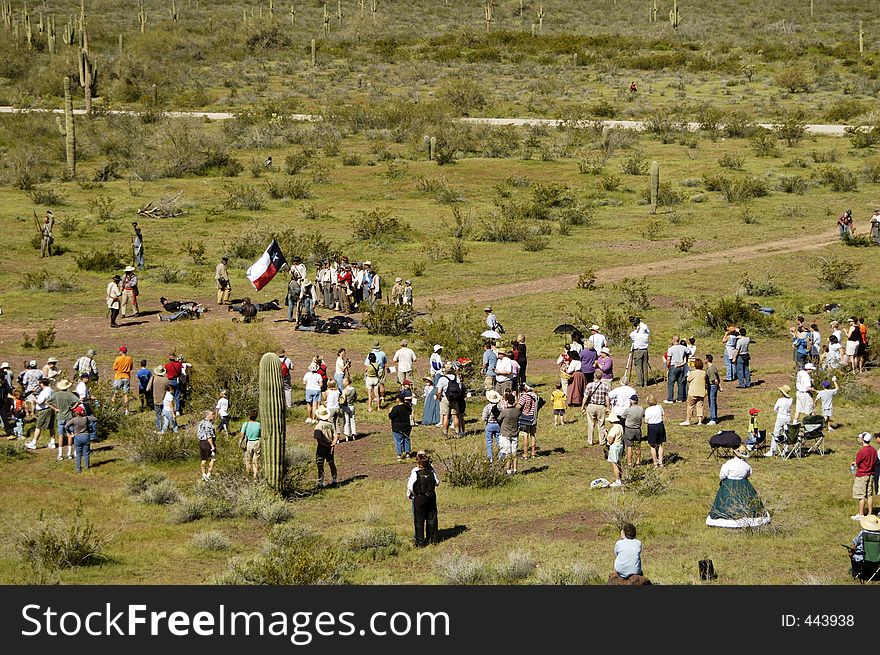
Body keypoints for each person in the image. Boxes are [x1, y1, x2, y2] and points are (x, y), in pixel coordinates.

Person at [706, 446, 771, 528]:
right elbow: (749, 473)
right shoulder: (746, 464)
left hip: (728, 485)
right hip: (744, 484)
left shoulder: (729, 463)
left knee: (725, 501)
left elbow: (722, 475)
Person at [407, 450, 441, 547]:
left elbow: (410, 486)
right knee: (432, 519)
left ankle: (420, 542)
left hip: (419, 498)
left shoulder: (415, 472)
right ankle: (433, 540)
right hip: (431, 497)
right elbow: (437, 482)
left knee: (419, 520)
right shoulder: (431, 472)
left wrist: (413, 494)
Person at [49, 379, 80, 462]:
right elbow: (78, 401)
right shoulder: (70, 395)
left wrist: (55, 409)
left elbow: (47, 402)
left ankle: (60, 454)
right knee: (70, 434)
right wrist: (73, 408)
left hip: (60, 416)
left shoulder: (57, 394)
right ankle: (69, 453)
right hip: (69, 416)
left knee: (60, 435)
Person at [852, 432, 878, 521]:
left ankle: (861, 514)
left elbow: (858, 463)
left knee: (861, 495)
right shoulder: (874, 450)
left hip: (862, 475)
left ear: (863, 439)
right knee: (869, 495)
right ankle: (870, 514)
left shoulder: (862, 451)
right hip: (871, 475)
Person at [25, 378, 55, 450]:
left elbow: (40, 401)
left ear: (42, 384)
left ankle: (34, 443)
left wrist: (34, 399)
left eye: (40, 384)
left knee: (38, 427)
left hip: (44, 410)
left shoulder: (45, 391)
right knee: (51, 426)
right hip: (50, 410)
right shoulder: (51, 390)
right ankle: (52, 442)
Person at [65, 404, 96, 473]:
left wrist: (70, 433)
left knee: (78, 453)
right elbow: (95, 419)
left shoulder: (73, 420)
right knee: (86, 452)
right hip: (86, 436)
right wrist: (90, 425)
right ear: (83, 412)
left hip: (77, 436)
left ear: (76, 413)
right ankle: (87, 466)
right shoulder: (86, 418)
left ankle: (78, 468)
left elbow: (66, 426)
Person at [435, 363, 464, 439]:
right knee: (455, 416)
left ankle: (445, 434)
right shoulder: (456, 378)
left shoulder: (442, 379)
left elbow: (439, 391)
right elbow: (460, 388)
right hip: (455, 399)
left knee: (446, 416)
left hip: (445, 399)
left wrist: (439, 398)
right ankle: (457, 433)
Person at [848, 514, 880, 579]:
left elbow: (854, 544)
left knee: (852, 554)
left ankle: (857, 572)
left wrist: (851, 552)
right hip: (878, 560)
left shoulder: (862, 533)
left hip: (862, 559)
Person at [313, 405, 338, 488]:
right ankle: (334, 480)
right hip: (330, 446)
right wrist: (333, 444)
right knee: (331, 463)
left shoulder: (318, 426)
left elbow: (319, 440)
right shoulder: (331, 425)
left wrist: (324, 445)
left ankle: (321, 481)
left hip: (321, 447)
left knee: (320, 464)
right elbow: (336, 436)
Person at [582, 374, 610, 445]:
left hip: (591, 406)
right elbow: (607, 398)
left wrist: (583, 406)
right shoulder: (605, 386)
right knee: (601, 424)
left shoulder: (589, 385)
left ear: (594, 376)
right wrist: (608, 407)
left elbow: (585, 396)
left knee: (591, 423)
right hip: (601, 406)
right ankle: (602, 441)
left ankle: (590, 441)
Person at [497, 391, 521, 474]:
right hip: (515, 432)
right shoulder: (517, 411)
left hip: (505, 433)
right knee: (514, 452)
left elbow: (499, 419)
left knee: (507, 453)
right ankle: (515, 469)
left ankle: (508, 469)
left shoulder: (505, 411)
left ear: (507, 401)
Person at [681, 358, 709, 426]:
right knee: (700, 406)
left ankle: (688, 420)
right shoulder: (704, 373)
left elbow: (688, 379)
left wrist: (688, 374)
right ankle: (699, 421)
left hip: (693, 392)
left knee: (690, 406)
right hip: (701, 392)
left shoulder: (693, 373)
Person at [620, 394, 644, 467]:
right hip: (637, 429)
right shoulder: (641, 409)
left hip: (629, 429)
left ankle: (629, 463)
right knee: (637, 446)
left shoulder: (628, 410)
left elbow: (622, 416)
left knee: (629, 446)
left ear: (631, 401)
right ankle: (638, 462)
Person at [389, 392, 413, 462]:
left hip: (397, 427)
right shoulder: (407, 407)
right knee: (406, 439)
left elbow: (391, 416)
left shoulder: (395, 408)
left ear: (398, 399)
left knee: (398, 441)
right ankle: (408, 454)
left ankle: (399, 455)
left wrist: (390, 411)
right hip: (407, 427)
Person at [664, 336, 688, 404]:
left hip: (673, 366)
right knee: (680, 383)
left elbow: (668, 359)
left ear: (673, 340)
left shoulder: (671, 349)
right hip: (681, 366)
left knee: (671, 383)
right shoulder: (683, 347)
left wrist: (667, 365)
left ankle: (670, 399)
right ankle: (680, 398)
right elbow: (689, 352)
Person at [518, 383, 539, 460]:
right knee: (533, 434)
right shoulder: (535, 396)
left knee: (525, 435)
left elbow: (518, 407)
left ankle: (525, 453)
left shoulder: (525, 396)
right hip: (533, 417)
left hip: (525, 418)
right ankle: (533, 453)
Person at [644, 395, 666, 467]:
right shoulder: (659, 407)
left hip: (652, 427)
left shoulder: (648, 410)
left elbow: (646, 421)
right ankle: (661, 462)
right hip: (660, 426)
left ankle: (655, 463)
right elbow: (663, 415)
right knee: (660, 444)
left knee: (652, 446)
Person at [628, 317, 650, 387]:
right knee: (645, 366)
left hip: (638, 351)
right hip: (645, 350)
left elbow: (631, 335)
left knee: (638, 367)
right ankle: (646, 382)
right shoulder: (646, 333)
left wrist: (636, 329)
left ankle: (640, 382)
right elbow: (645, 327)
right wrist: (640, 322)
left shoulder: (634, 334)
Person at [481, 390, 503, 460]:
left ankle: (490, 457)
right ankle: (501, 456)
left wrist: (486, 420)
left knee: (489, 441)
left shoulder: (487, 407)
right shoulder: (500, 406)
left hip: (490, 424)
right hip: (498, 424)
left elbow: (483, 418)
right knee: (499, 441)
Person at [112, 345, 133, 415]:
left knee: (115, 393)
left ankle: (113, 408)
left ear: (121, 351)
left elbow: (114, 368)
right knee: (126, 394)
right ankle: (127, 410)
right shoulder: (130, 358)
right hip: (126, 376)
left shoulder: (118, 358)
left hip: (118, 376)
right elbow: (131, 368)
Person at [196, 411, 217, 481]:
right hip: (207, 443)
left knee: (203, 459)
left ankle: (203, 474)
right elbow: (209, 436)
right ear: (208, 415)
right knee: (212, 459)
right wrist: (212, 446)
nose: (213, 416)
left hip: (201, 442)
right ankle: (208, 475)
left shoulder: (201, 422)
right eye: (212, 414)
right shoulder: (208, 424)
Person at [605, 413, 624, 487]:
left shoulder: (614, 429)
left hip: (614, 447)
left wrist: (606, 434)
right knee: (619, 463)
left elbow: (610, 441)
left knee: (615, 464)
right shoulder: (620, 426)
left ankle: (617, 480)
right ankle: (620, 478)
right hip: (620, 445)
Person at [149, 365, 169, 432]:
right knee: (164, 414)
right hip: (164, 399)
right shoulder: (166, 380)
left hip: (156, 399)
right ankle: (164, 428)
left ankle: (158, 429)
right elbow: (170, 389)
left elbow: (147, 388)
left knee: (158, 415)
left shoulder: (154, 378)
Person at [705, 353, 721, 425]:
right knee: (713, 401)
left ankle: (713, 418)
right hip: (713, 386)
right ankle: (714, 417)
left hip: (712, 386)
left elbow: (715, 380)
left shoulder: (711, 369)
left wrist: (718, 386)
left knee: (712, 402)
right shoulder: (713, 367)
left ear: (707, 360)